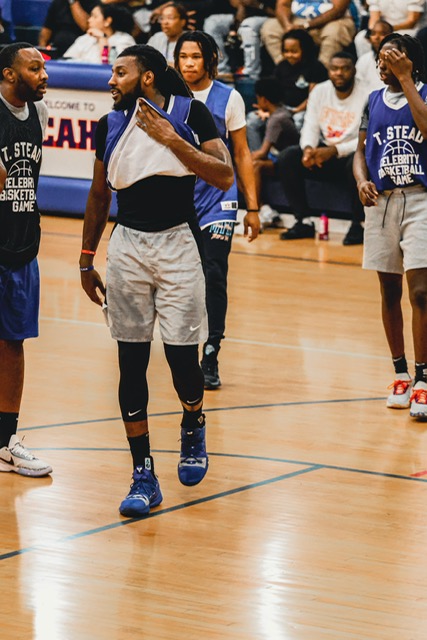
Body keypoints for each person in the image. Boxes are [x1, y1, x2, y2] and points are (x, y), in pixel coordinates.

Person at [79, 44, 234, 516]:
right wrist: (86, 260)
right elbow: (99, 194)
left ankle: (193, 421)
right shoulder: (108, 125)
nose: (111, 81)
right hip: (128, 245)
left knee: (183, 361)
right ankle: (143, 473)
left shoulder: (191, 113)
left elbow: (223, 175)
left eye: (120, 72)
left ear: (146, 77)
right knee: (131, 362)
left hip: (178, 243)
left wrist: (172, 139)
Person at [174, 30, 260, 390]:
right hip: (179, 197)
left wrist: (252, 207)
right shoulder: (168, 96)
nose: (189, 63)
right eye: (183, 57)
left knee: (214, 272)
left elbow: (241, 153)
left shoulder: (229, 97)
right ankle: (182, 348)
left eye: (195, 56)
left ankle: (211, 351)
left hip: (218, 199)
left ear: (210, 60)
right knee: (181, 277)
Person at [353, 33, 427, 419]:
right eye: (380, 59)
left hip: (420, 198)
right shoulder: (371, 100)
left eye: (391, 58)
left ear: (409, 61)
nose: (383, 65)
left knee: (421, 292)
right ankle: (400, 374)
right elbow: (359, 152)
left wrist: (408, 79)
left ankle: (424, 379)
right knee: (388, 290)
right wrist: (360, 180)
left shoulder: (423, 93)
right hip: (381, 201)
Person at [0, 43, 52, 477]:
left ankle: (5, 441)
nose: (43, 75)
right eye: (34, 68)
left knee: (12, 343)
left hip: (21, 244)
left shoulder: (40, 113)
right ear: (8, 74)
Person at [277, 51, 369, 244]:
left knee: (358, 161)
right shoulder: (319, 90)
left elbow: (368, 138)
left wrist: (335, 151)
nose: (339, 73)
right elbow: (310, 125)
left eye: (345, 68)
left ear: (354, 70)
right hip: (324, 153)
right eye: (334, 69)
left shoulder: (368, 94)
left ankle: (358, 224)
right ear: (328, 71)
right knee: (288, 157)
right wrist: (308, 150)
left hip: (351, 154)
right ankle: (303, 221)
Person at [250, 76, 299, 226]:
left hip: (289, 164)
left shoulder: (276, 119)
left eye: (258, 98)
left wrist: (243, 159)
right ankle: (265, 209)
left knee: (253, 166)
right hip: (281, 158)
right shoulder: (282, 112)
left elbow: (263, 153)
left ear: (264, 100)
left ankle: (257, 210)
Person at [261, 0, 359, 69]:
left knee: (334, 32)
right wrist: (287, 25)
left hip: (332, 20)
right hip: (298, 19)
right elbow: (283, 4)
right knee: (270, 28)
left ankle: (322, 75)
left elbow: (338, 10)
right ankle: (286, 70)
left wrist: (307, 25)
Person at [63, 3, 136, 63]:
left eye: (94, 17)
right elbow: (66, 60)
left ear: (107, 21)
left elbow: (116, 65)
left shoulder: (125, 40)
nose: (89, 20)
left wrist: (102, 38)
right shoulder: (84, 38)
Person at [354, 0, 425, 58]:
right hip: (383, 29)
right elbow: (374, 18)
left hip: (408, 29)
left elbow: (411, 22)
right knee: (361, 38)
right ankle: (369, 64)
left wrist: (387, 29)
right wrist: (373, 31)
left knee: (398, 39)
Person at [355, 19, 393, 95]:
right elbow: (358, 86)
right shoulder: (364, 59)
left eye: (382, 33)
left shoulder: (399, 60)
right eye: (373, 33)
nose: (376, 37)